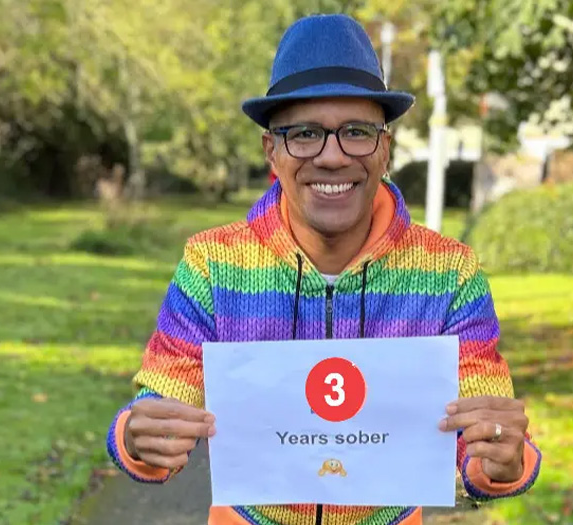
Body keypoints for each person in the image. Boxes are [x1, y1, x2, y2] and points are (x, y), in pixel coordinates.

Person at [105, 13, 542, 525]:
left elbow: (487, 440)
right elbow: (161, 402)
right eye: (305, 134)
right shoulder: (213, 265)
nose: (332, 157)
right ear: (272, 150)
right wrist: (137, 436)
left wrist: (504, 459)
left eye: (356, 132)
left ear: (385, 148)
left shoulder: (450, 274)